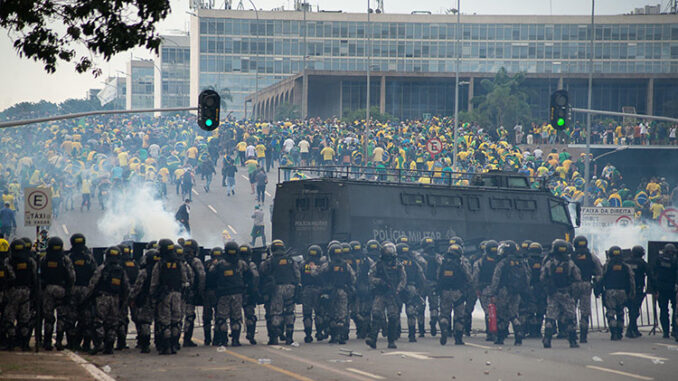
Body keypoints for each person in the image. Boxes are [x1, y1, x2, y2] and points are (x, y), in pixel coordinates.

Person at [211, 240, 257, 346]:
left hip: (223, 294)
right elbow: (250, 276)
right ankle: (235, 340)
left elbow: (212, 276)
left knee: (222, 318)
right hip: (237, 293)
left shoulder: (220, 264)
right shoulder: (242, 264)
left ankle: (223, 341)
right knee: (236, 318)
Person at [86, 246, 130, 355]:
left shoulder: (102, 268)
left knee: (98, 321)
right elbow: (126, 287)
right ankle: (109, 346)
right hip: (115, 299)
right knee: (112, 323)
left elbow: (93, 284)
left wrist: (87, 298)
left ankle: (99, 343)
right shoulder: (121, 270)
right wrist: (124, 302)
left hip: (102, 298)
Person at [540, 239, 581, 348]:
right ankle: (572, 341)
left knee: (551, 317)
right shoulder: (570, 263)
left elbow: (542, 277)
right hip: (566, 293)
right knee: (570, 317)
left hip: (553, 294)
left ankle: (547, 340)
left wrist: (548, 288)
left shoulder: (549, 263)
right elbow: (577, 277)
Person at [150, 239, 189, 355]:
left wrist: (153, 295)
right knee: (176, 321)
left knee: (164, 321)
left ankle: (166, 347)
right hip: (177, 294)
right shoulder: (179, 263)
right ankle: (174, 345)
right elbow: (185, 280)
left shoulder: (160, 264)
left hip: (164, 295)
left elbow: (154, 282)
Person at [259, 240, 300, 345]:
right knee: (290, 313)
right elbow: (297, 274)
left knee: (276, 312)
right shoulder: (290, 260)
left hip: (277, 288)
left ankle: (274, 338)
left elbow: (263, 271)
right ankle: (289, 337)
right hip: (290, 288)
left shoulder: (270, 260)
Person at [489, 241, 530, 346]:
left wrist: (493, 293)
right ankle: (518, 334)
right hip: (516, 292)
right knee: (514, 313)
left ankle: (500, 338)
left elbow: (496, 278)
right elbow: (527, 277)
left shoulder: (502, 262)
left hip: (504, 291)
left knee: (502, 314)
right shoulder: (521, 262)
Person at [366, 242, 405, 349]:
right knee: (376, 314)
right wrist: (379, 282)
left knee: (393, 317)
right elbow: (370, 278)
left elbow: (403, 279)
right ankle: (373, 339)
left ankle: (391, 341)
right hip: (380, 294)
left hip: (392, 295)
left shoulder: (398, 265)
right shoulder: (377, 265)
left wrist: (398, 290)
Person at [40, 237, 75, 351]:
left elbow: (39, 275)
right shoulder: (65, 259)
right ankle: (59, 341)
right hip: (61, 289)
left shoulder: (44, 259)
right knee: (61, 317)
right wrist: (69, 289)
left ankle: (47, 342)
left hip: (48, 290)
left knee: (48, 317)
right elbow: (72, 276)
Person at [318, 243, 356, 344]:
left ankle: (334, 336)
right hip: (343, 291)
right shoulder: (346, 265)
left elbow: (318, 274)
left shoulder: (327, 265)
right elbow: (353, 278)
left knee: (331, 314)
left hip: (330, 293)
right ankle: (341, 336)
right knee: (342, 314)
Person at [3, 239, 35, 351]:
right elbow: (34, 277)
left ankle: (11, 343)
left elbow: (10, 277)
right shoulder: (30, 261)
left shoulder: (8, 261)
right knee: (24, 318)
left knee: (10, 318)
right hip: (26, 291)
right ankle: (24, 343)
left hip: (13, 292)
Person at [597, 246, 635, 341]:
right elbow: (631, 280)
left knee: (611, 312)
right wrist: (631, 293)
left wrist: (598, 290)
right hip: (622, 292)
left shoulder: (607, 266)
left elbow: (601, 278)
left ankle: (613, 332)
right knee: (620, 312)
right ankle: (619, 332)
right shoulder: (626, 266)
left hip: (610, 292)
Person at [570, 235, 602, 343]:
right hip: (586, 284)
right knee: (585, 310)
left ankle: (573, 334)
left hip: (573, 285)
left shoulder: (570, 257)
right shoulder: (591, 256)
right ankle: (583, 335)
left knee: (571, 309)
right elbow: (599, 271)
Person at [438, 244, 472, 346]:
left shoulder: (443, 262)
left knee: (444, 314)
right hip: (458, 293)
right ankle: (458, 339)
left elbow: (438, 276)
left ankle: (444, 326)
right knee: (459, 316)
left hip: (445, 292)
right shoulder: (461, 263)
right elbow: (468, 277)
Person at [130, 249, 161, 354]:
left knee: (145, 322)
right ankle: (161, 343)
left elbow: (138, 287)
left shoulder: (144, 272)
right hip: (160, 298)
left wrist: (132, 298)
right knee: (161, 320)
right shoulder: (162, 270)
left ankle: (145, 345)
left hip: (147, 298)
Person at [397, 242, 426, 342]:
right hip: (411, 288)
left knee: (396, 311)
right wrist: (420, 290)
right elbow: (421, 277)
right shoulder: (414, 262)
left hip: (397, 289)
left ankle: (396, 333)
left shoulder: (394, 262)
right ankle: (412, 335)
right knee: (411, 312)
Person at [472, 240, 499, 342]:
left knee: (488, 312)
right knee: (499, 311)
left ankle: (490, 332)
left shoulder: (479, 262)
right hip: (498, 290)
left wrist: (477, 289)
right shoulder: (501, 261)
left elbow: (475, 277)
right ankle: (500, 331)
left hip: (485, 290)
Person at [650, 243, 677, 339]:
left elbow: (653, 273)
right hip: (673, 289)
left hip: (661, 289)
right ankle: (674, 330)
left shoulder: (658, 259)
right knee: (675, 310)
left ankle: (666, 332)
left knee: (663, 310)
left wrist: (654, 288)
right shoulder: (675, 260)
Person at [301, 244, 327, 343]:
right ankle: (319, 333)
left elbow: (299, 276)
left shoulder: (303, 264)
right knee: (319, 313)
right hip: (319, 290)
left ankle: (308, 335)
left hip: (306, 290)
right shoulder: (322, 265)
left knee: (307, 314)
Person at [181, 239, 205, 348]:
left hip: (178, 293)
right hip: (190, 293)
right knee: (189, 316)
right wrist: (200, 292)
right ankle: (187, 340)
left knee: (176, 317)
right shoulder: (196, 261)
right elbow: (202, 276)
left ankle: (173, 340)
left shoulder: (179, 260)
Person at [626, 245, 650, 338]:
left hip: (627, 288)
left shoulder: (626, 261)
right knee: (635, 309)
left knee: (631, 309)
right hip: (638, 289)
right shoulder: (642, 263)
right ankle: (630, 329)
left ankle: (634, 328)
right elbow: (650, 274)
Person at [419, 237, 441, 337]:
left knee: (420, 307)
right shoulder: (438, 257)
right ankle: (433, 322)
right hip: (433, 284)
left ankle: (421, 330)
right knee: (434, 307)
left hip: (422, 285)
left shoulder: (419, 257)